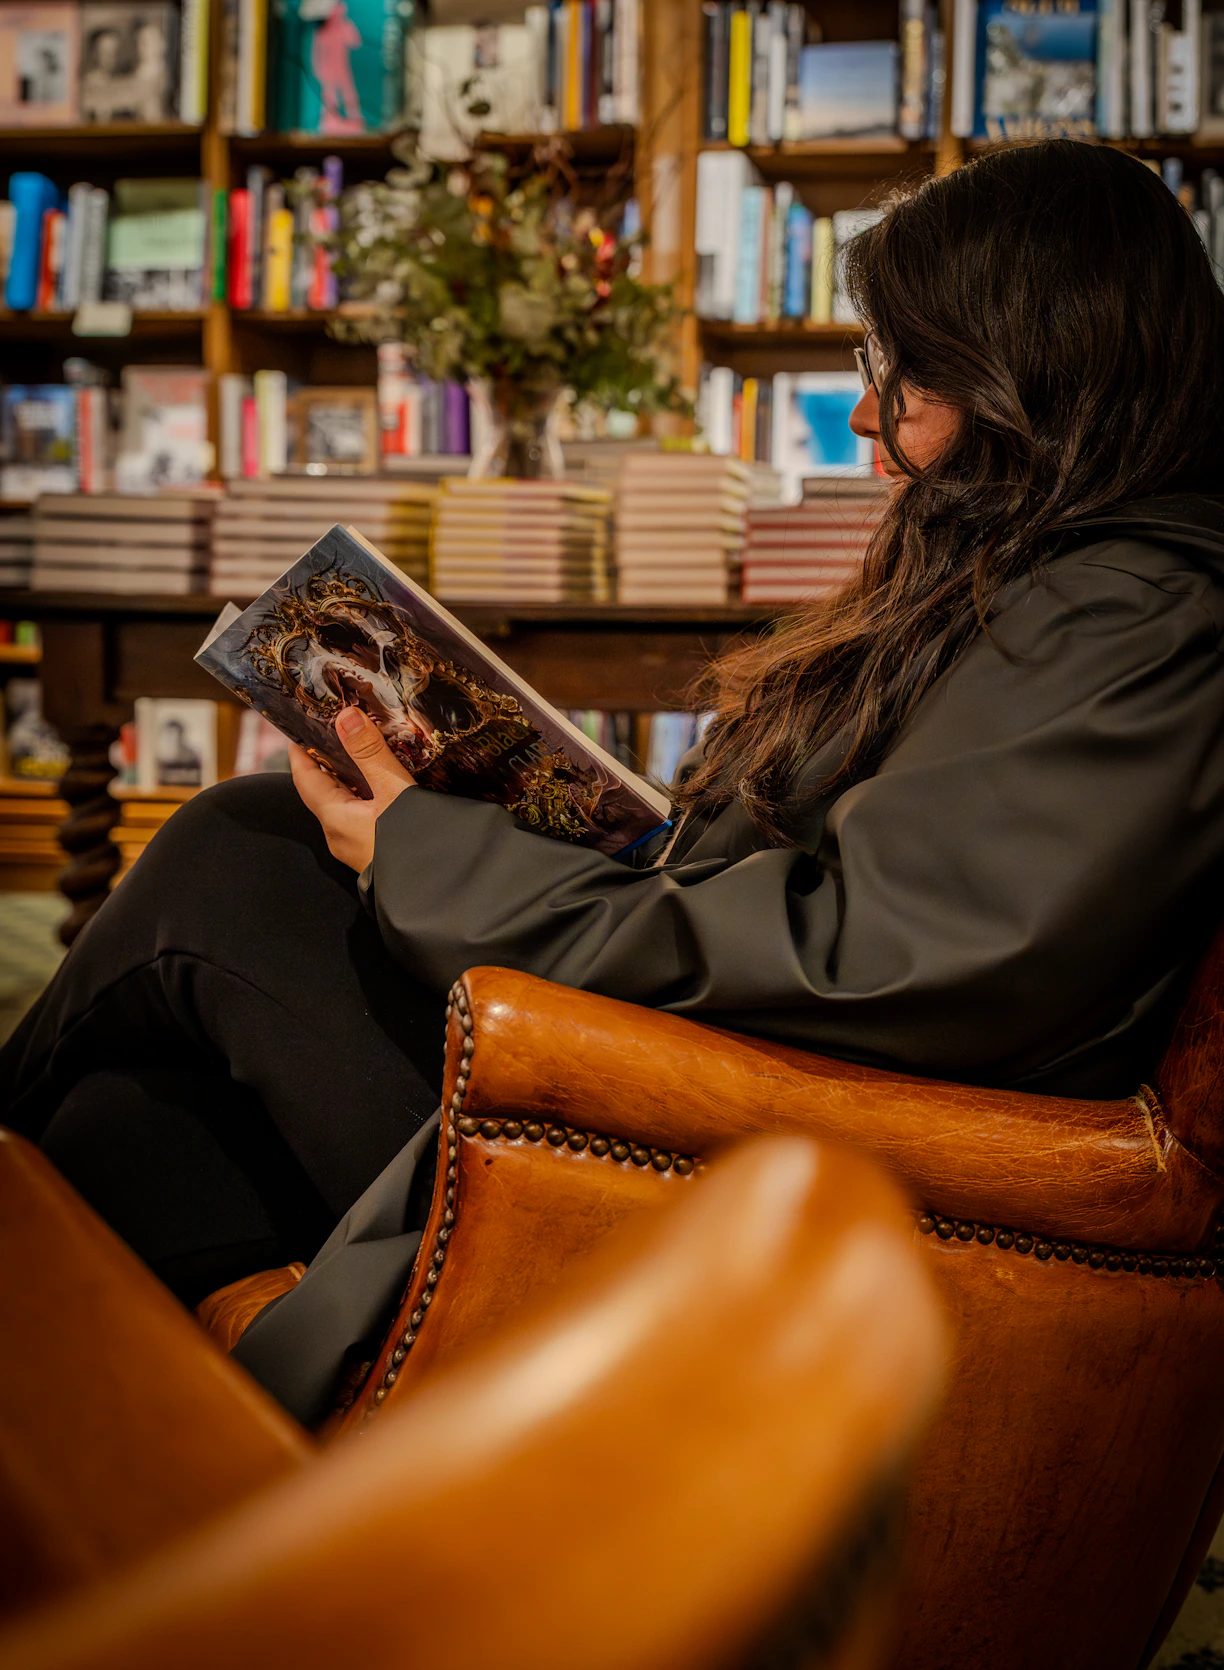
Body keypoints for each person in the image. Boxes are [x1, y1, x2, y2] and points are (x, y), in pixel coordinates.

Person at [7, 138, 1224, 1421]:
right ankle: (189, 1487)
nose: (867, 410)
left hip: (722, 1153)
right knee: (119, 1121)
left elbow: (870, 960)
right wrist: (513, 806)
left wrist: (428, 854)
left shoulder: (1138, 618)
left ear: (1031, 366)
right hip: (699, 1086)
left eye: (899, 365)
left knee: (235, 865)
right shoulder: (1044, 581)